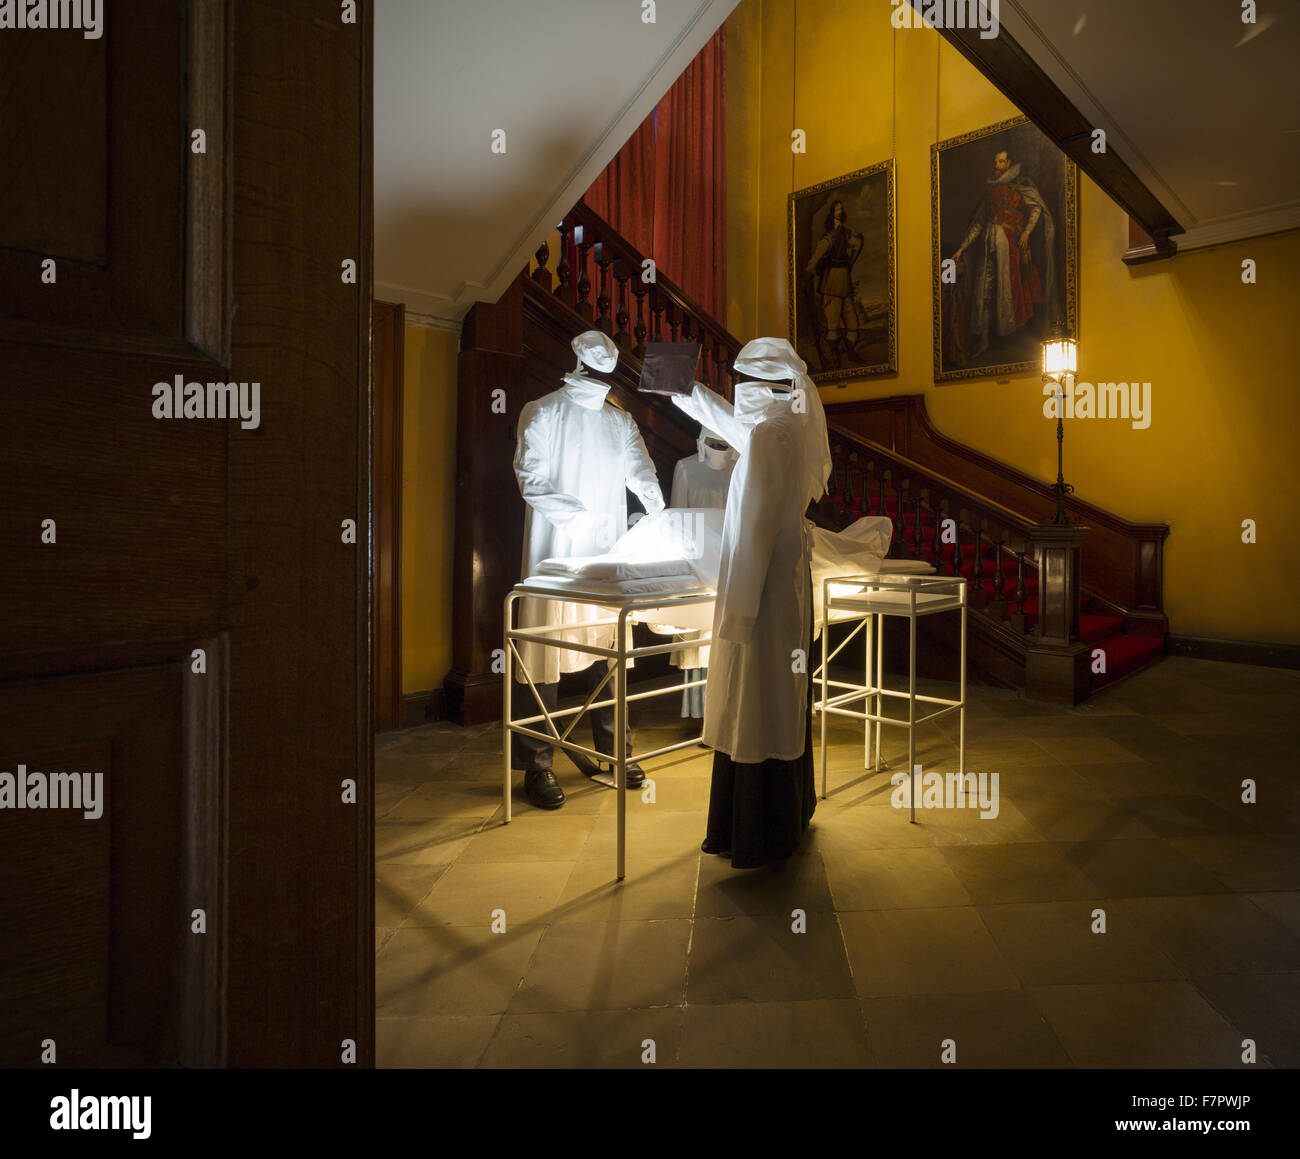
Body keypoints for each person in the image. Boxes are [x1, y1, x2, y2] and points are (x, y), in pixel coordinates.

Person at [672, 338, 832, 867]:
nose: (735, 392)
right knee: (780, 699)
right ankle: (786, 816)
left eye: (741, 382)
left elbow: (758, 529)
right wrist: (682, 387)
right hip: (784, 586)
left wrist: (738, 611)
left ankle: (755, 831)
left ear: (761, 387)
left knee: (755, 698)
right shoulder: (786, 427)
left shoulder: (769, 435)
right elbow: (728, 420)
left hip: (760, 590)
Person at [511, 330, 665, 809]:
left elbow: (640, 470)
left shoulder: (618, 422)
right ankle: (536, 767)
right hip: (555, 551)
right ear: (578, 364)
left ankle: (615, 753)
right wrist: (579, 518)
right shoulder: (542, 411)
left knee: (610, 649)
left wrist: (658, 511)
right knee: (543, 656)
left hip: (606, 553)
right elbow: (530, 478)